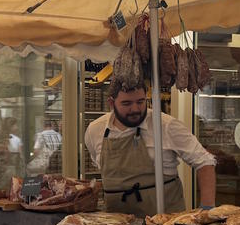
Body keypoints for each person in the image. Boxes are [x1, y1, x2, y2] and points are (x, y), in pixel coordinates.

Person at [84, 82, 217, 216]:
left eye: (140, 101)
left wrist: (207, 209)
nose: (135, 109)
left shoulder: (165, 125)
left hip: (163, 224)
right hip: (117, 224)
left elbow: (204, 161)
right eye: (127, 103)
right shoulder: (95, 130)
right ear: (111, 104)